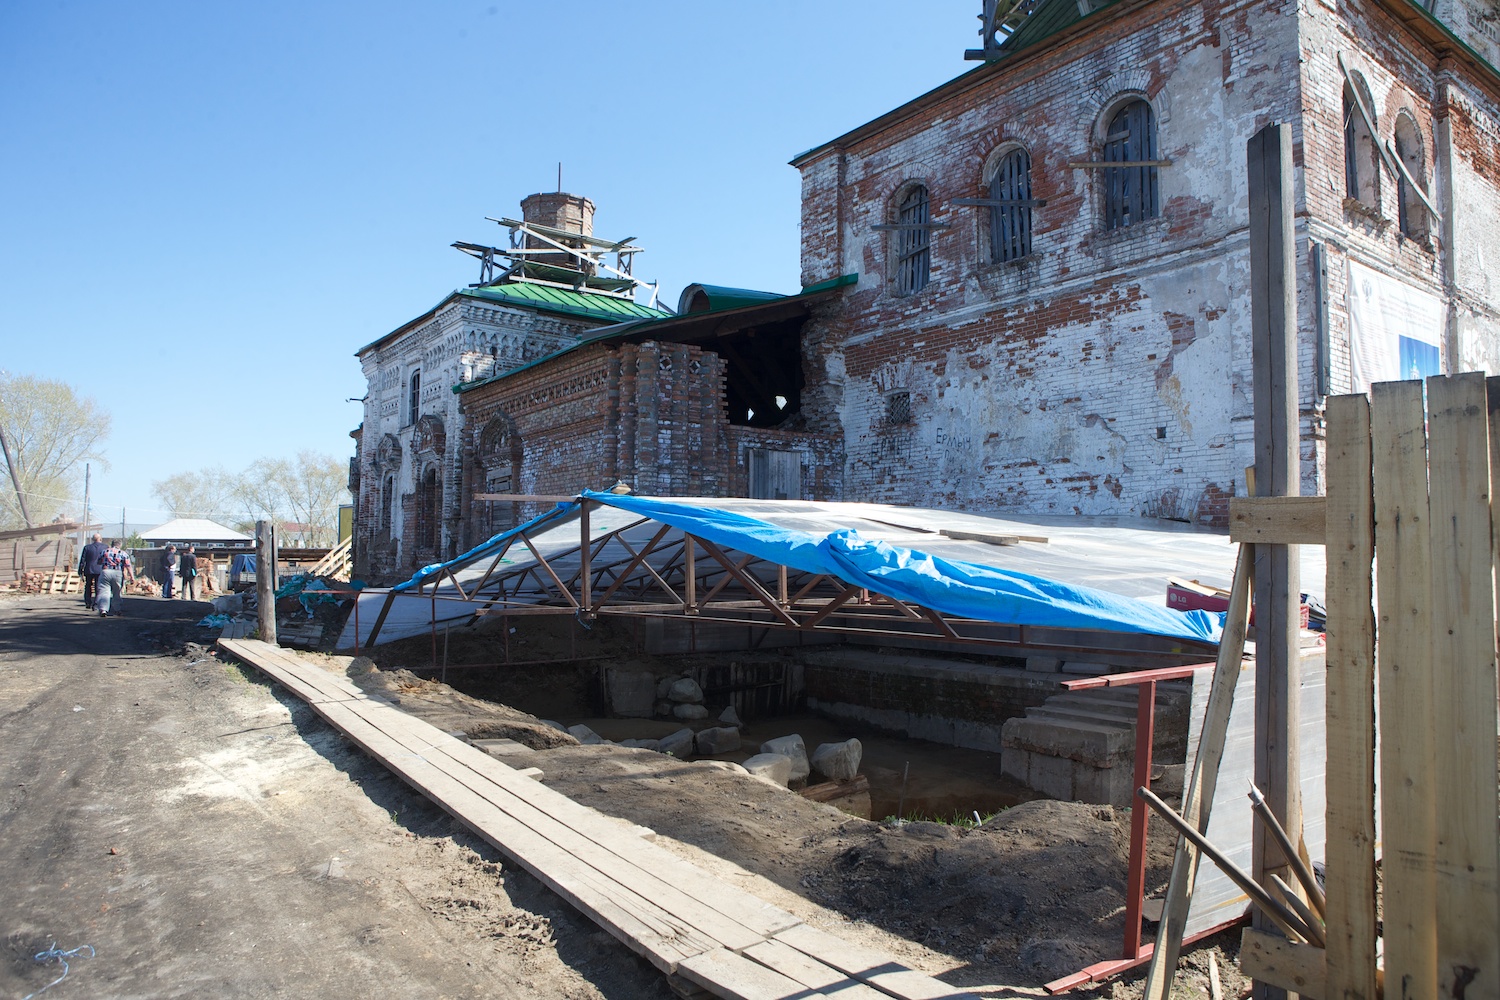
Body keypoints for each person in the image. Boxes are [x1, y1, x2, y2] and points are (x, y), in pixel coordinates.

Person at [95, 539, 134, 617]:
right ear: (120, 545)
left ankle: (103, 609)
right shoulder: (123, 553)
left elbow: (99, 562)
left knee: (104, 591)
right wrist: (132, 577)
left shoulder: (104, 551)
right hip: (117, 572)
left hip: (105, 571)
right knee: (117, 592)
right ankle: (117, 609)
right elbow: (128, 565)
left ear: (112, 544)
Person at [78, 532, 106, 609]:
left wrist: (80, 570)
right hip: (100, 570)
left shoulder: (87, 547)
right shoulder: (105, 547)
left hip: (89, 569)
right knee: (98, 587)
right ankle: (96, 603)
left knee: (88, 586)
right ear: (100, 539)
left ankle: (88, 602)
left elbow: (82, 560)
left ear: (93, 539)